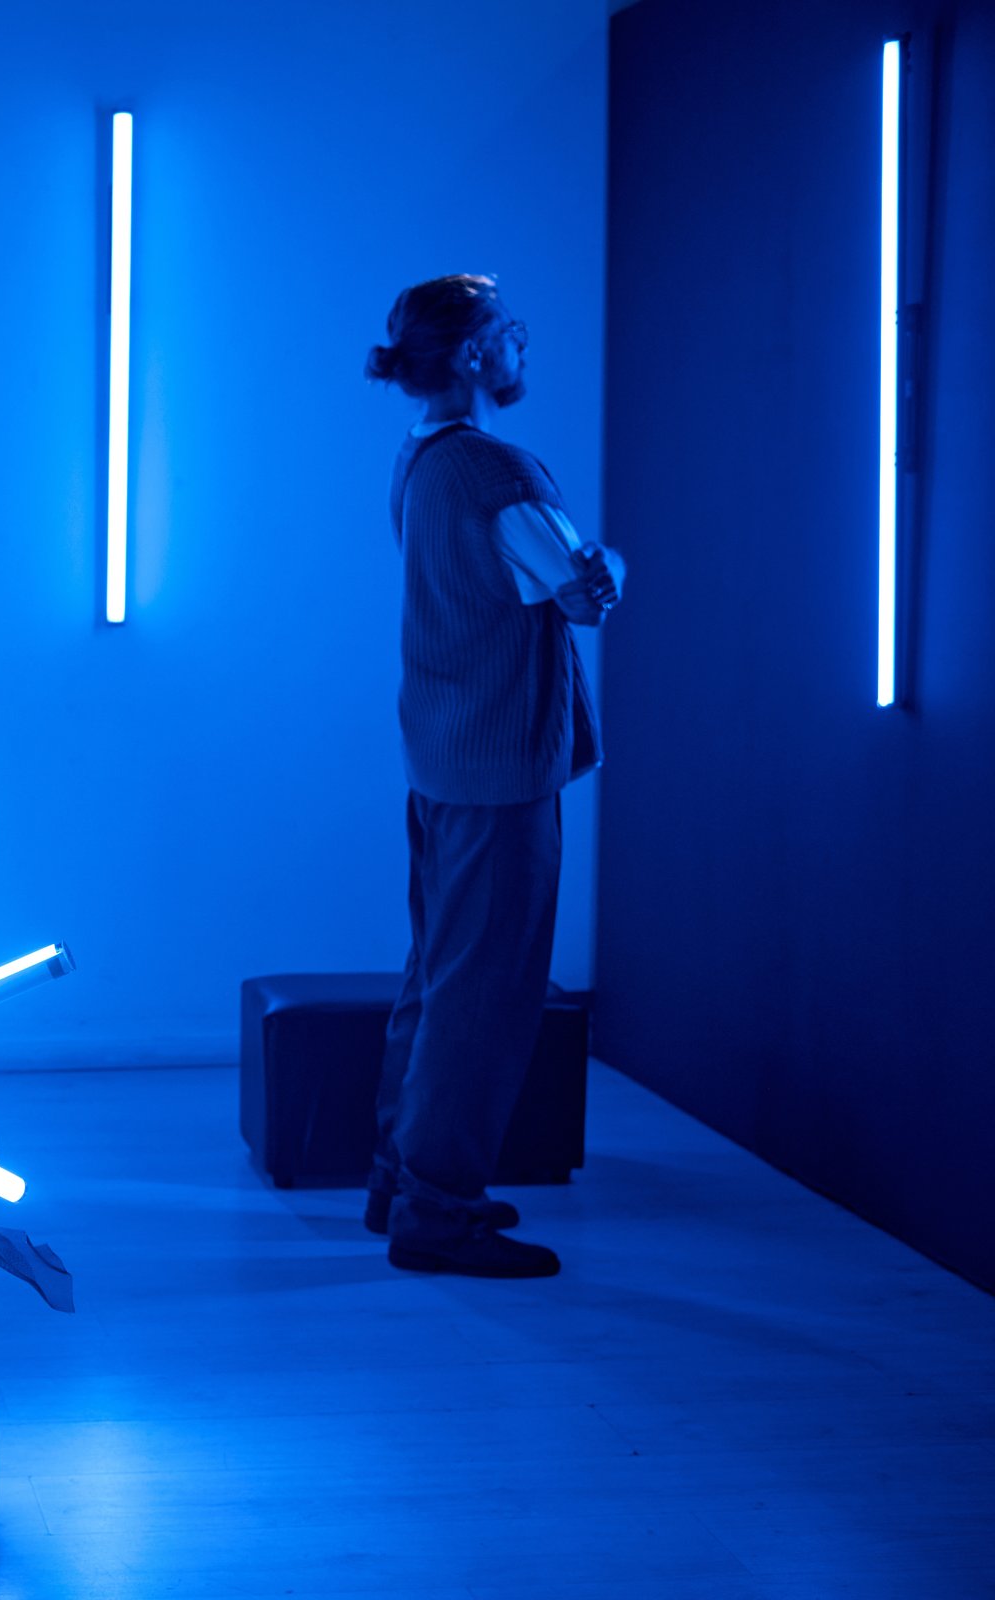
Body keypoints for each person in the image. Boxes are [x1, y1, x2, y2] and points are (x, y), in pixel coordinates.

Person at [361, 274, 623, 1279]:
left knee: (436, 977)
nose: (522, 347)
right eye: (508, 334)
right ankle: (438, 1210)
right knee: (487, 992)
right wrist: (608, 566)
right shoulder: (493, 470)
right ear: (472, 355)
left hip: (441, 755)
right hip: (501, 773)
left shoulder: (418, 462)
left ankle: (402, 1182)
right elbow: (585, 594)